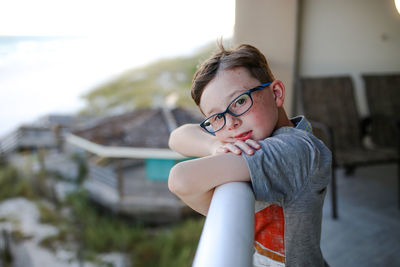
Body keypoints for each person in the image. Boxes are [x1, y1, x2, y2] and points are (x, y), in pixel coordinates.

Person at [168, 43, 331, 267]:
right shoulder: (253, 138)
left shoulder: (295, 148)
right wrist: (213, 145)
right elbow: (177, 137)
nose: (232, 123)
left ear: (276, 93)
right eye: (217, 118)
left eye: (240, 101)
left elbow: (181, 179)